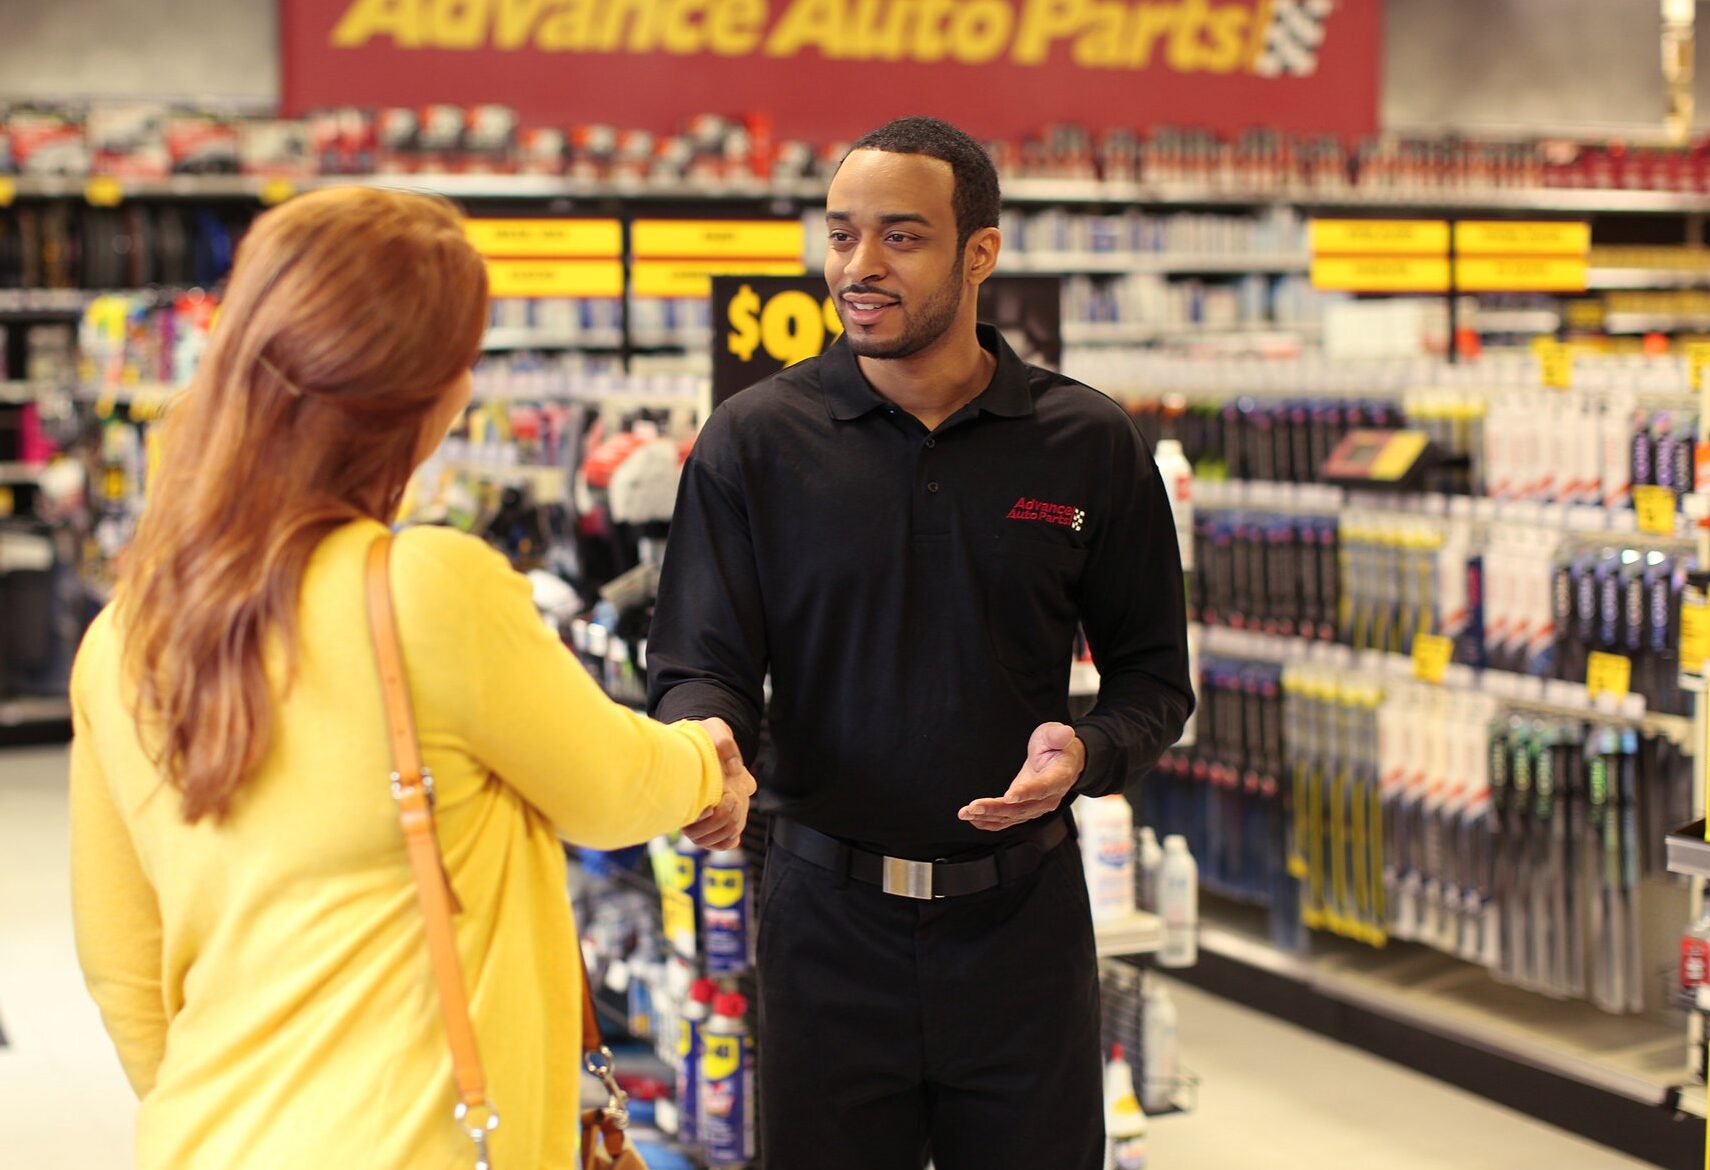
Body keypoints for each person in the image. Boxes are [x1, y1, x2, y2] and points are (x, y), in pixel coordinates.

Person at [67, 187, 755, 1170]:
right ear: (418, 396)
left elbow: (124, 969)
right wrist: (707, 759)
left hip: (206, 1140)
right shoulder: (423, 588)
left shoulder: (121, 635)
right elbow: (610, 791)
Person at [647, 116, 1193, 1169]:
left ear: (979, 253)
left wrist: (1088, 752)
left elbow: (1153, 680)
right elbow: (697, 660)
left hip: (1023, 928)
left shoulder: (1087, 443)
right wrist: (709, 738)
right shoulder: (754, 441)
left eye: (900, 236)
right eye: (840, 234)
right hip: (825, 927)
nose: (859, 265)